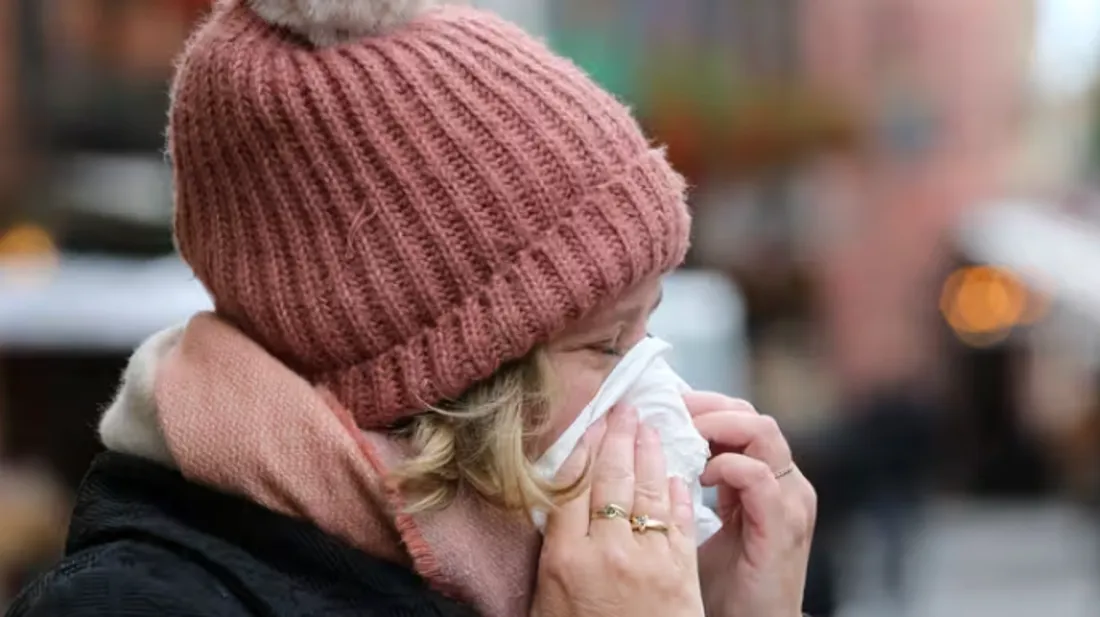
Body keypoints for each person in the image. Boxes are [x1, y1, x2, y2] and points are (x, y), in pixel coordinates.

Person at [6, 1, 816, 616]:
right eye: (606, 345)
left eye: (649, 323)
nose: (659, 385)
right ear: (441, 388)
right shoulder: (135, 603)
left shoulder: (501, 573)